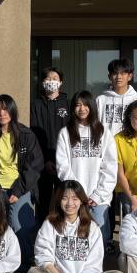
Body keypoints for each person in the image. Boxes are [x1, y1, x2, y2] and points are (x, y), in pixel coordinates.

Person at [28, 180, 126, 273]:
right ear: (58, 201)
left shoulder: (92, 227)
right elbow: (44, 259)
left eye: (75, 198)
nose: (69, 203)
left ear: (81, 201)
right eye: (64, 198)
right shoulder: (49, 224)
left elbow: (94, 265)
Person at [0, 94, 44, 271]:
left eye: (5, 109)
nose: (2, 113)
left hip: (21, 188)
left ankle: (23, 266)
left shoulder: (25, 134)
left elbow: (34, 165)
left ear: (12, 111)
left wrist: (17, 191)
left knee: (20, 226)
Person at [56, 91, 117, 248]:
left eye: (85, 104)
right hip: (74, 197)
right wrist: (77, 193)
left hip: (99, 200)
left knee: (99, 241)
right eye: (77, 105)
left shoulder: (104, 133)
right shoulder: (65, 133)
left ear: (92, 106)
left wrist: (97, 195)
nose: (81, 108)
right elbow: (63, 166)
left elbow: (110, 167)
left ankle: (98, 272)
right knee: (76, 241)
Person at [30, 66, 69, 222]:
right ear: (42, 82)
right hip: (42, 161)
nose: (51, 82)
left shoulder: (68, 104)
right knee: (43, 201)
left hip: (64, 161)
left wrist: (62, 161)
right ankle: (43, 233)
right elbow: (34, 134)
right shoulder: (35, 105)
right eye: (48, 79)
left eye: (55, 78)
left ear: (61, 82)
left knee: (65, 199)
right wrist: (45, 160)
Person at [96, 58, 137, 137]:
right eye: (115, 73)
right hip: (106, 146)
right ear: (109, 76)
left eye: (123, 73)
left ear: (130, 76)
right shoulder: (100, 100)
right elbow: (94, 125)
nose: (118, 77)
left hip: (130, 145)